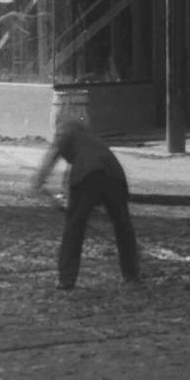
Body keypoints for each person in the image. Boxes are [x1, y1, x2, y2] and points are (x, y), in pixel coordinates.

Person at [32, 105, 142, 289]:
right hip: (116, 176)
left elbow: (51, 159)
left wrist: (39, 182)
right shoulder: (92, 140)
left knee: (74, 228)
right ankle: (132, 274)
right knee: (123, 226)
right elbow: (72, 173)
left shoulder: (67, 135)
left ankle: (66, 279)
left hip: (88, 176)